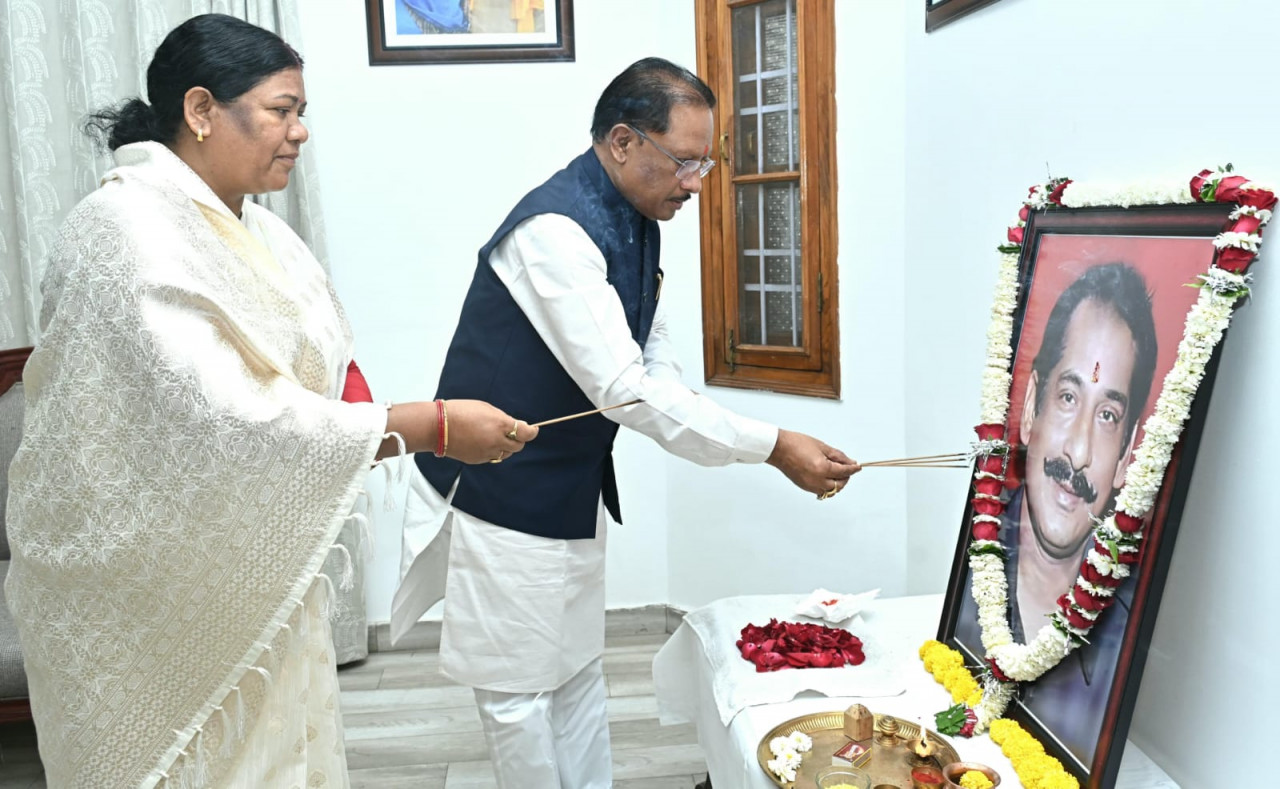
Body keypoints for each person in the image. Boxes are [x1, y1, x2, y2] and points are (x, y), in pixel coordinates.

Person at [3, 14, 535, 789]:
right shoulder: (123, 229)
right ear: (200, 110)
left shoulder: (254, 227)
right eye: (282, 110)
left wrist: (365, 405)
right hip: (150, 590)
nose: (300, 132)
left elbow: (314, 352)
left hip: (243, 554)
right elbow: (221, 415)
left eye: (301, 112)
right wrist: (428, 427)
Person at [390, 57, 861, 789]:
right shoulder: (554, 231)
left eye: (707, 162)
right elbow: (624, 390)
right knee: (519, 694)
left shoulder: (638, 221)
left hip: (569, 487)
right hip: (502, 492)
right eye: (684, 161)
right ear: (621, 141)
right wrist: (772, 447)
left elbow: (652, 364)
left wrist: (751, 437)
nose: (697, 182)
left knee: (576, 672)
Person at [956, 261, 1158, 765]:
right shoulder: (969, 589)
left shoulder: (1123, 636)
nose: (1080, 452)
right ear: (1029, 410)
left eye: (1108, 415)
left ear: (1127, 456)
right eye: (1068, 397)